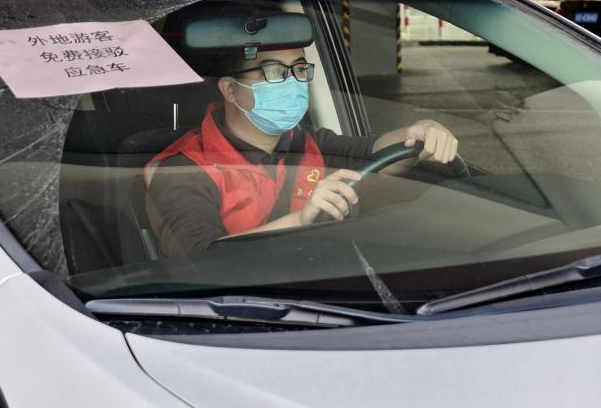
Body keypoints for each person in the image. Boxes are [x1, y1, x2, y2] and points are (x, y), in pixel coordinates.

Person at [144, 44, 459, 259]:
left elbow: (378, 157)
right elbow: (199, 259)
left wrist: (420, 131)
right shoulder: (184, 168)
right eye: (274, 72)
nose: (292, 82)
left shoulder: (306, 141)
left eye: (298, 69)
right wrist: (300, 220)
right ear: (230, 89)